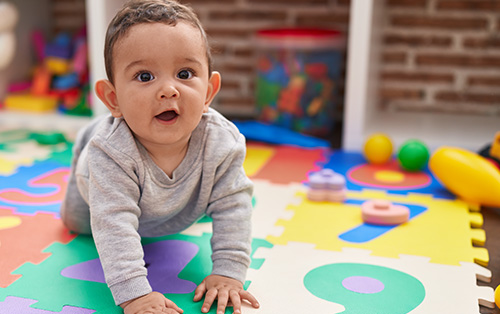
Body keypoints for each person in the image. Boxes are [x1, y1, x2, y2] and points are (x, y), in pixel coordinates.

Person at [60, 1, 260, 313]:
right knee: (78, 225)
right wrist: (135, 295)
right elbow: (113, 225)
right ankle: (90, 135)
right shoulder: (110, 153)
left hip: (171, 206)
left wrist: (228, 273)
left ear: (208, 92)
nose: (169, 90)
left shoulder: (223, 141)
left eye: (184, 73)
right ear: (113, 99)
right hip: (95, 184)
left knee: (223, 199)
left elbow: (234, 207)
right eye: (144, 76)